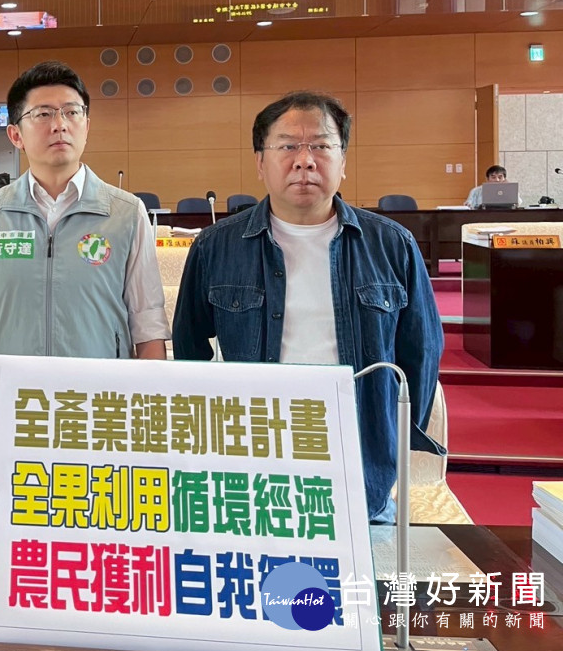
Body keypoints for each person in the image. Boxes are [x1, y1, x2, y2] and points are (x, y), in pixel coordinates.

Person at [172, 90, 443, 523]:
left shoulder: (392, 245)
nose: (304, 160)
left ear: (343, 160)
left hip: (359, 464)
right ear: (260, 162)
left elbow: (421, 353)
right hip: (250, 464)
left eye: (320, 145)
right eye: (287, 147)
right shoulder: (215, 247)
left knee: (363, 564)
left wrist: (392, 436)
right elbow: (189, 350)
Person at [0, 60, 169, 359]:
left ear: (86, 127)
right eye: (43, 114)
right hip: (14, 386)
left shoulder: (126, 213)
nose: (60, 124)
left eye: (72, 112)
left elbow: (147, 323)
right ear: (16, 135)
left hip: (99, 387)